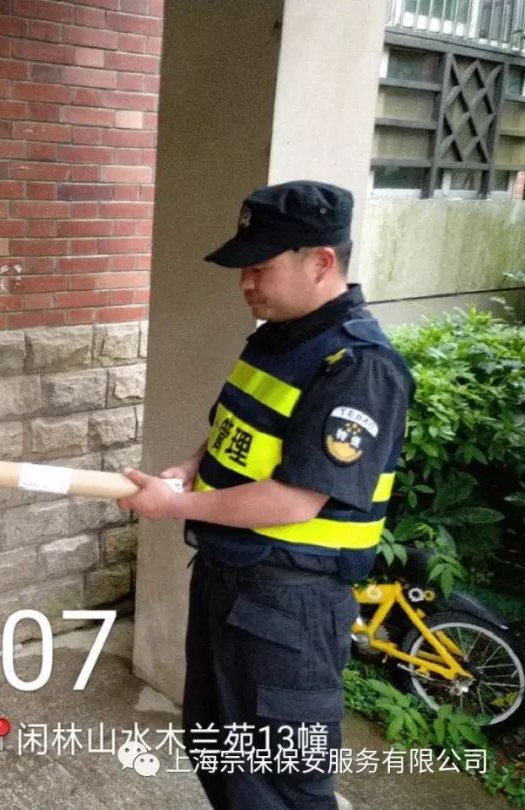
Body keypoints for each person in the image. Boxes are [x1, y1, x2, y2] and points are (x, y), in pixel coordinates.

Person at [119, 180, 414, 810]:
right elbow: (240, 431)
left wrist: (174, 506)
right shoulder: (281, 339)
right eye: (244, 268)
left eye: (261, 268)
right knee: (221, 754)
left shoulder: (358, 366)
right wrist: (189, 468)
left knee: (282, 781)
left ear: (322, 262)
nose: (246, 283)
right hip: (231, 582)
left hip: (291, 605)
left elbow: (295, 500)